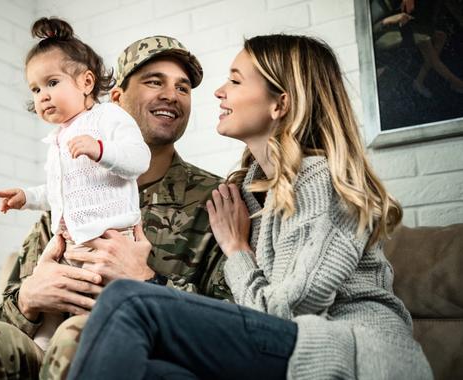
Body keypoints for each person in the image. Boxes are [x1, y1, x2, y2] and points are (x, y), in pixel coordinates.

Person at [67, 34, 433, 380]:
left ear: (280, 103)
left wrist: (237, 250)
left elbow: (287, 312)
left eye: (236, 81)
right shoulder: (249, 193)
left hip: (354, 356)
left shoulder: (322, 182)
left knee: (128, 302)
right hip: (295, 352)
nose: (218, 92)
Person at [0, 34, 231, 379]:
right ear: (117, 99)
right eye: (155, 82)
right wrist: (29, 299)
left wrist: (148, 281)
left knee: (77, 337)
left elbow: (234, 327)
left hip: (143, 354)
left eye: (183, 88)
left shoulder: (215, 198)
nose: (171, 95)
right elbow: (4, 314)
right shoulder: (67, 196)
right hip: (50, 347)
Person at [0, 17, 150, 351]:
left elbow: (139, 160)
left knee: (91, 305)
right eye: (35, 89)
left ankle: (83, 347)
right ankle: (43, 351)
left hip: (107, 241)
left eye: (51, 82)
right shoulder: (59, 138)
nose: (42, 96)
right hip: (70, 243)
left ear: (86, 82)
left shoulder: (108, 118)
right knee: (52, 311)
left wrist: (100, 150)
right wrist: (27, 196)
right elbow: (58, 192)